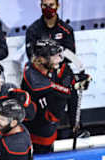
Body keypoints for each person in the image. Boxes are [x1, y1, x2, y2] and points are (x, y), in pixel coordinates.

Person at [25, 0, 82, 138]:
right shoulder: (33, 29)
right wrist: (46, 63)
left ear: (57, 6)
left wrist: (56, 62)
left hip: (61, 69)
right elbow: (31, 55)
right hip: (40, 71)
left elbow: (70, 54)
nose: (48, 8)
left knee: (73, 91)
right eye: (45, 5)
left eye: (51, 5)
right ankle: (36, 131)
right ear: (40, 6)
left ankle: (76, 128)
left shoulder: (66, 29)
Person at [21, 39, 89, 154]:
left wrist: (76, 79)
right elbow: (58, 89)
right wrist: (73, 85)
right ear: (41, 59)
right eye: (53, 56)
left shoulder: (48, 69)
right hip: (35, 134)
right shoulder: (32, 75)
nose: (58, 59)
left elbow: (63, 86)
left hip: (49, 131)